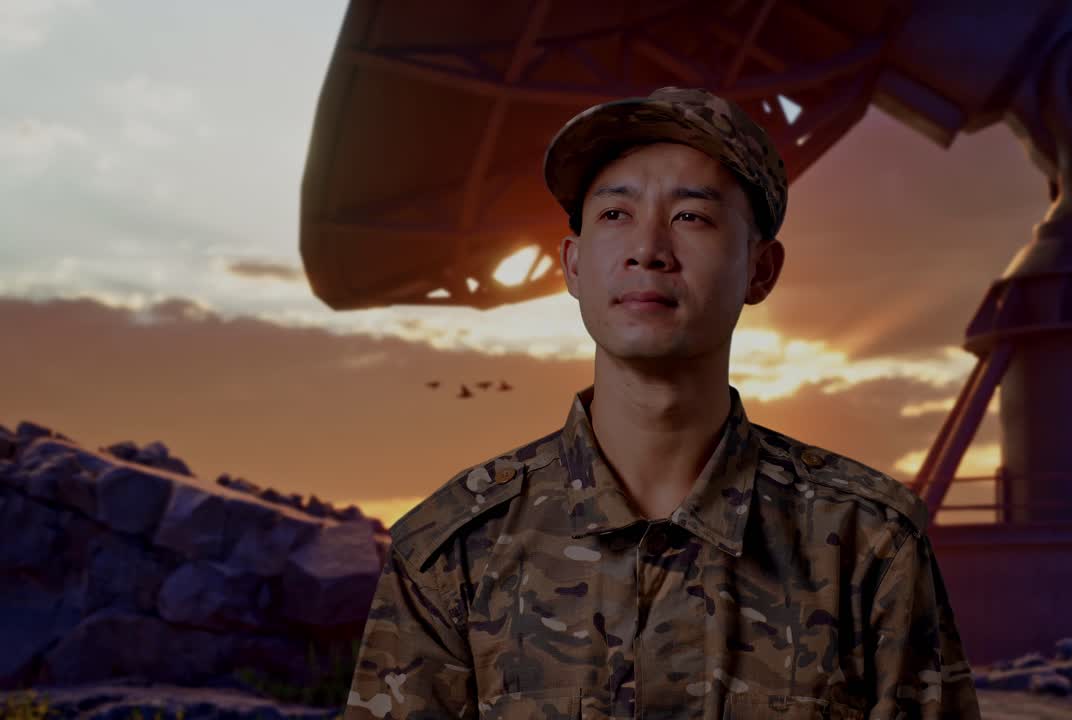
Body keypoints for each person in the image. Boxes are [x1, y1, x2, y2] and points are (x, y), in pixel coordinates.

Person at [342, 86, 982, 719]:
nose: (648, 250)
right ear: (572, 265)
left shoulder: (865, 547)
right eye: (615, 215)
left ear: (761, 270)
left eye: (691, 217)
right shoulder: (456, 551)